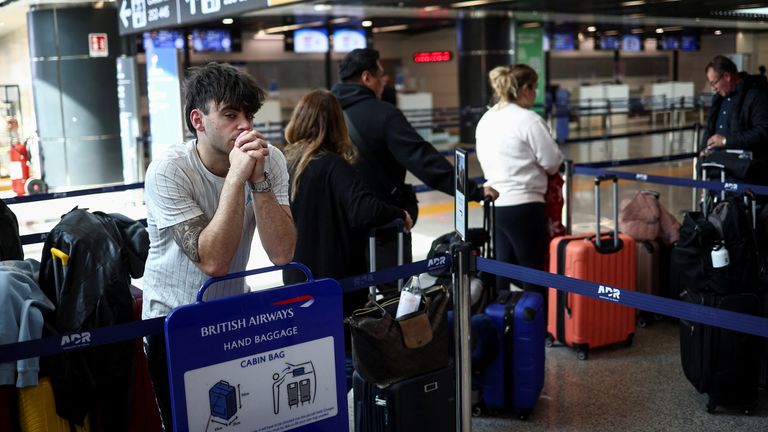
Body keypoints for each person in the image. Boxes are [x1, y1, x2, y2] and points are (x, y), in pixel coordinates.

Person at [141, 62, 296, 429]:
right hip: (172, 321)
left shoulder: (269, 159)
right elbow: (212, 261)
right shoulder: (169, 170)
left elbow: (283, 254)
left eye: (248, 114)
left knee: (239, 420)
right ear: (198, 120)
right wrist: (236, 177)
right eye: (230, 114)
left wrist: (258, 182)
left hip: (232, 314)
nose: (244, 125)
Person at [281, 89, 414, 389]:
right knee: (343, 362)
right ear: (337, 124)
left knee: (309, 355)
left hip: (296, 279)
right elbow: (363, 208)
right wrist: (398, 213)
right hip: (336, 283)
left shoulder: (286, 162)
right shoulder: (332, 164)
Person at [331, 48, 497, 274]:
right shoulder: (383, 114)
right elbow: (423, 160)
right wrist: (474, 191)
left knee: (352, 300)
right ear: (366, 78)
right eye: (380, 75)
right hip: (383, 226)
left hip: (339, 228)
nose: (384, 81)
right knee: (393, 299)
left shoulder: (327, 114)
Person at [475, 64, 564, 301]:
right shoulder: (528, 120)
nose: (535, 95)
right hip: (525, 205)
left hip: (495, 204)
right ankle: (538, 328)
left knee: (503, 268)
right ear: (525, 89)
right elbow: (552, 161)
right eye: (534, 89)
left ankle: (503, 324)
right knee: (533, 269)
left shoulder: (487, 118)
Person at [700, 55, 768, 163]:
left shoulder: (756, 95)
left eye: (714, 83)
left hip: (744, 171)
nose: (713, 88)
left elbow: (763, 131)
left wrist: (726, 141)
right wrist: (703, 150)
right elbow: (709, 129)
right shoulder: (718, 99)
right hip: (715, 167)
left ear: (727, 76)